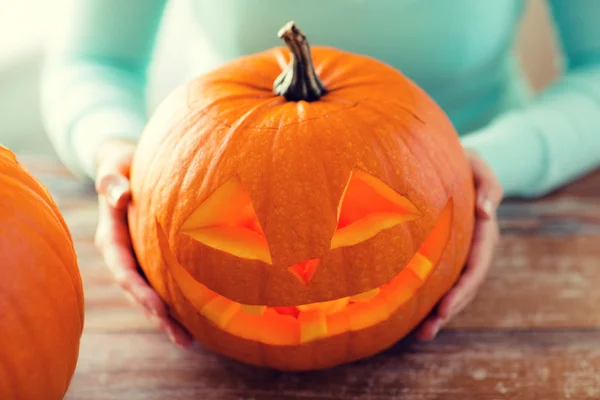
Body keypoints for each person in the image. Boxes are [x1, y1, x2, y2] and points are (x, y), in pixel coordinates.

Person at [41, 0, 600, 348]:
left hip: (487, 195)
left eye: (365, 216)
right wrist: (121, 162)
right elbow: (94, 60)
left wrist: (483, 169)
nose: (305, 271)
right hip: (213, 163)